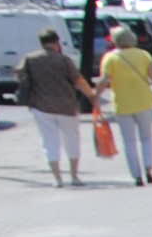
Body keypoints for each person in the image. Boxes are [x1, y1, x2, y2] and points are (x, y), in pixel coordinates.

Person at [12, 29, 96, 187]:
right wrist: (91, 96)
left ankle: (57, 179)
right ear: (57, 42)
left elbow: (18, 74)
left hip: (41, 106)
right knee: (72, 140)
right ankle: (74, 176)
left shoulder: (30, 59)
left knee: (49, 142)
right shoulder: (64, 60)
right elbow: (78, 81)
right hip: (67, 106)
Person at [101, 24, 152, 186]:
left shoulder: (110, 58)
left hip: (122, 104)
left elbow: (105, 80)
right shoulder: (144, 55)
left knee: (129, 141)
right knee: (147, 138)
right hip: (144, 101)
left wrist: (95, 97)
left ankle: (136, 175)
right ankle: (148, 167)